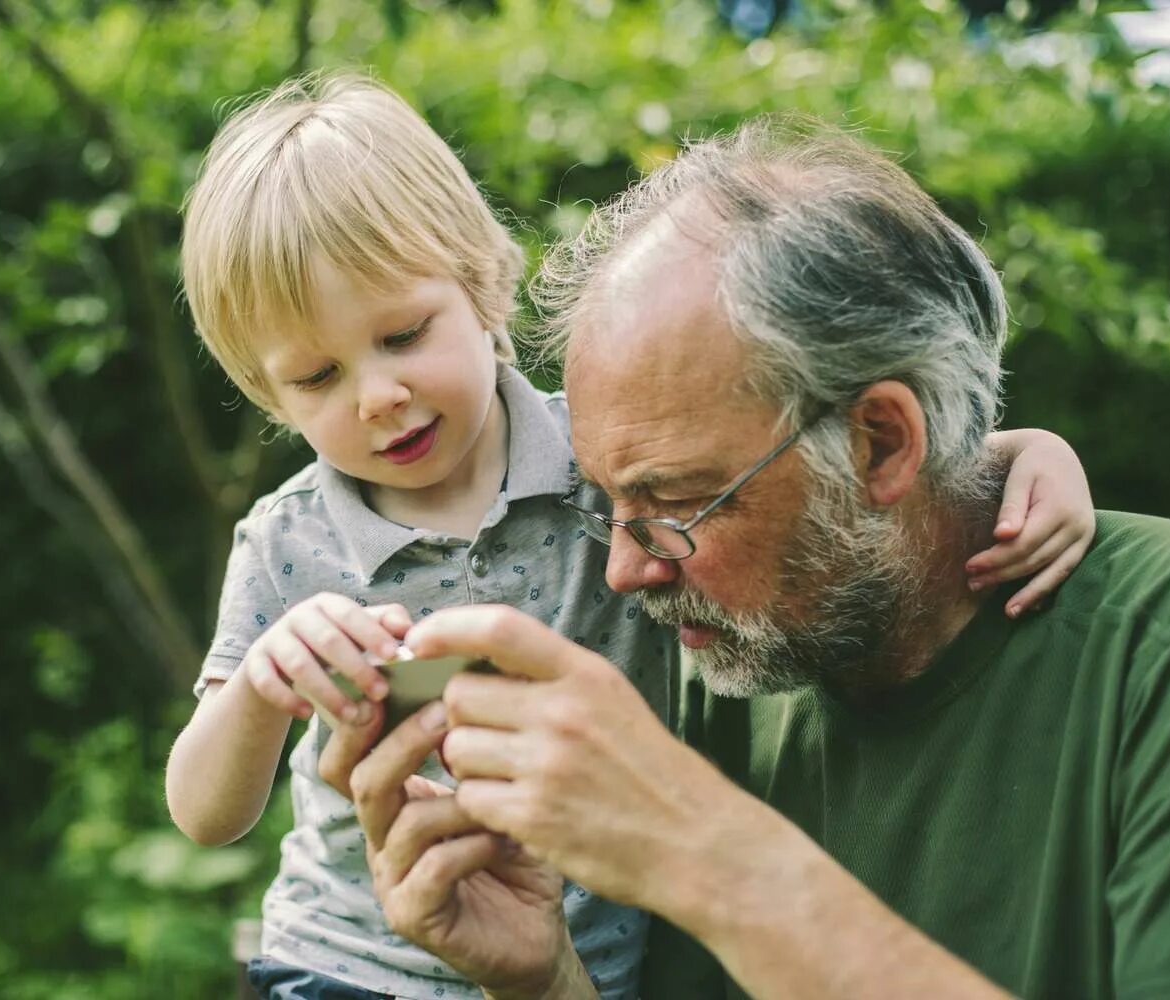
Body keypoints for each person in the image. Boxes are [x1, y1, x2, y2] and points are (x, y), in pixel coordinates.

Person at [165, 79, 1095, 1000]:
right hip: (344, 969)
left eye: (404, 334)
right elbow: (206, 814)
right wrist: (260, 687)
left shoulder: (604, 461)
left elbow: (840, 457)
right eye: (317, 377)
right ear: (266, 393)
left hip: (591, 968)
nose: (377, 395)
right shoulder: (291, 541)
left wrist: (1025, 455)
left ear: (482, 281)